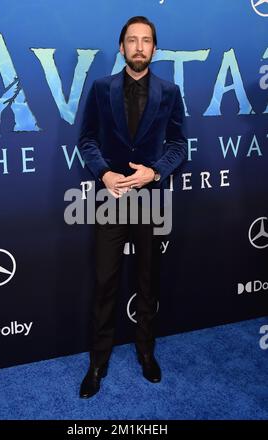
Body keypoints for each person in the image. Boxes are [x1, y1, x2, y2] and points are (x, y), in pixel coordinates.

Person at [78, 16, 187, 398]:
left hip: (150, 199)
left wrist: (154, 173)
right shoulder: (100, 88)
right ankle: (98, 360)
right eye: (132, 40)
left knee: (147, 280)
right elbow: (87, 138)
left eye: (146, 41)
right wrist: (104, 174)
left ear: (155, 48)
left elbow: (178, 145)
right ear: (121, 46)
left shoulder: (169, 91)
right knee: (105, 281)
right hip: (111, 198)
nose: (139, 47)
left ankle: (145, 350)